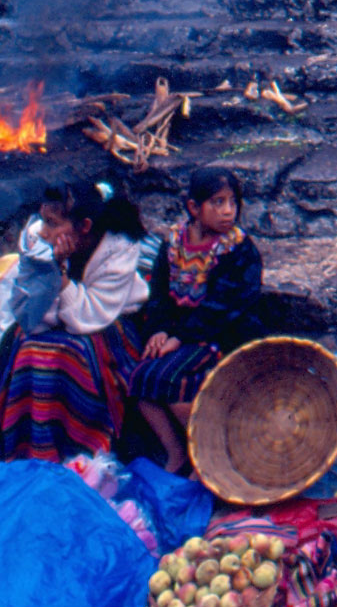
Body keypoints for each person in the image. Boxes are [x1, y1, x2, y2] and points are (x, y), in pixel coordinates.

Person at [0, 180, 148, 462]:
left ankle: (81, 450)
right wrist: (50, 266)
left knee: (71, 353)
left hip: (108, 319)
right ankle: (26, 448)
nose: (44, 231)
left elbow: (88, 318)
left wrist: (63, 276)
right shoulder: (38, 238)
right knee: (25, 344)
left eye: (53, 224)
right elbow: (30, 314)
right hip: (56, 317)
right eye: (43, 220)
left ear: (85, 227)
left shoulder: (119, 249)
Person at [130, 167, 263, 473]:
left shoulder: (238, 249)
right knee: (140, 378)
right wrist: (159, 330)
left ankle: (209, 456)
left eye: (232, 202)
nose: (228, 211)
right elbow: (160, 292)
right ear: (194, 207)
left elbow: (224, 306)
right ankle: (175, 452)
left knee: (175, 383)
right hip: (181, 332)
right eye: (217, 202)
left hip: (221, 333)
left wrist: (179, 337)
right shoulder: (174, 243)